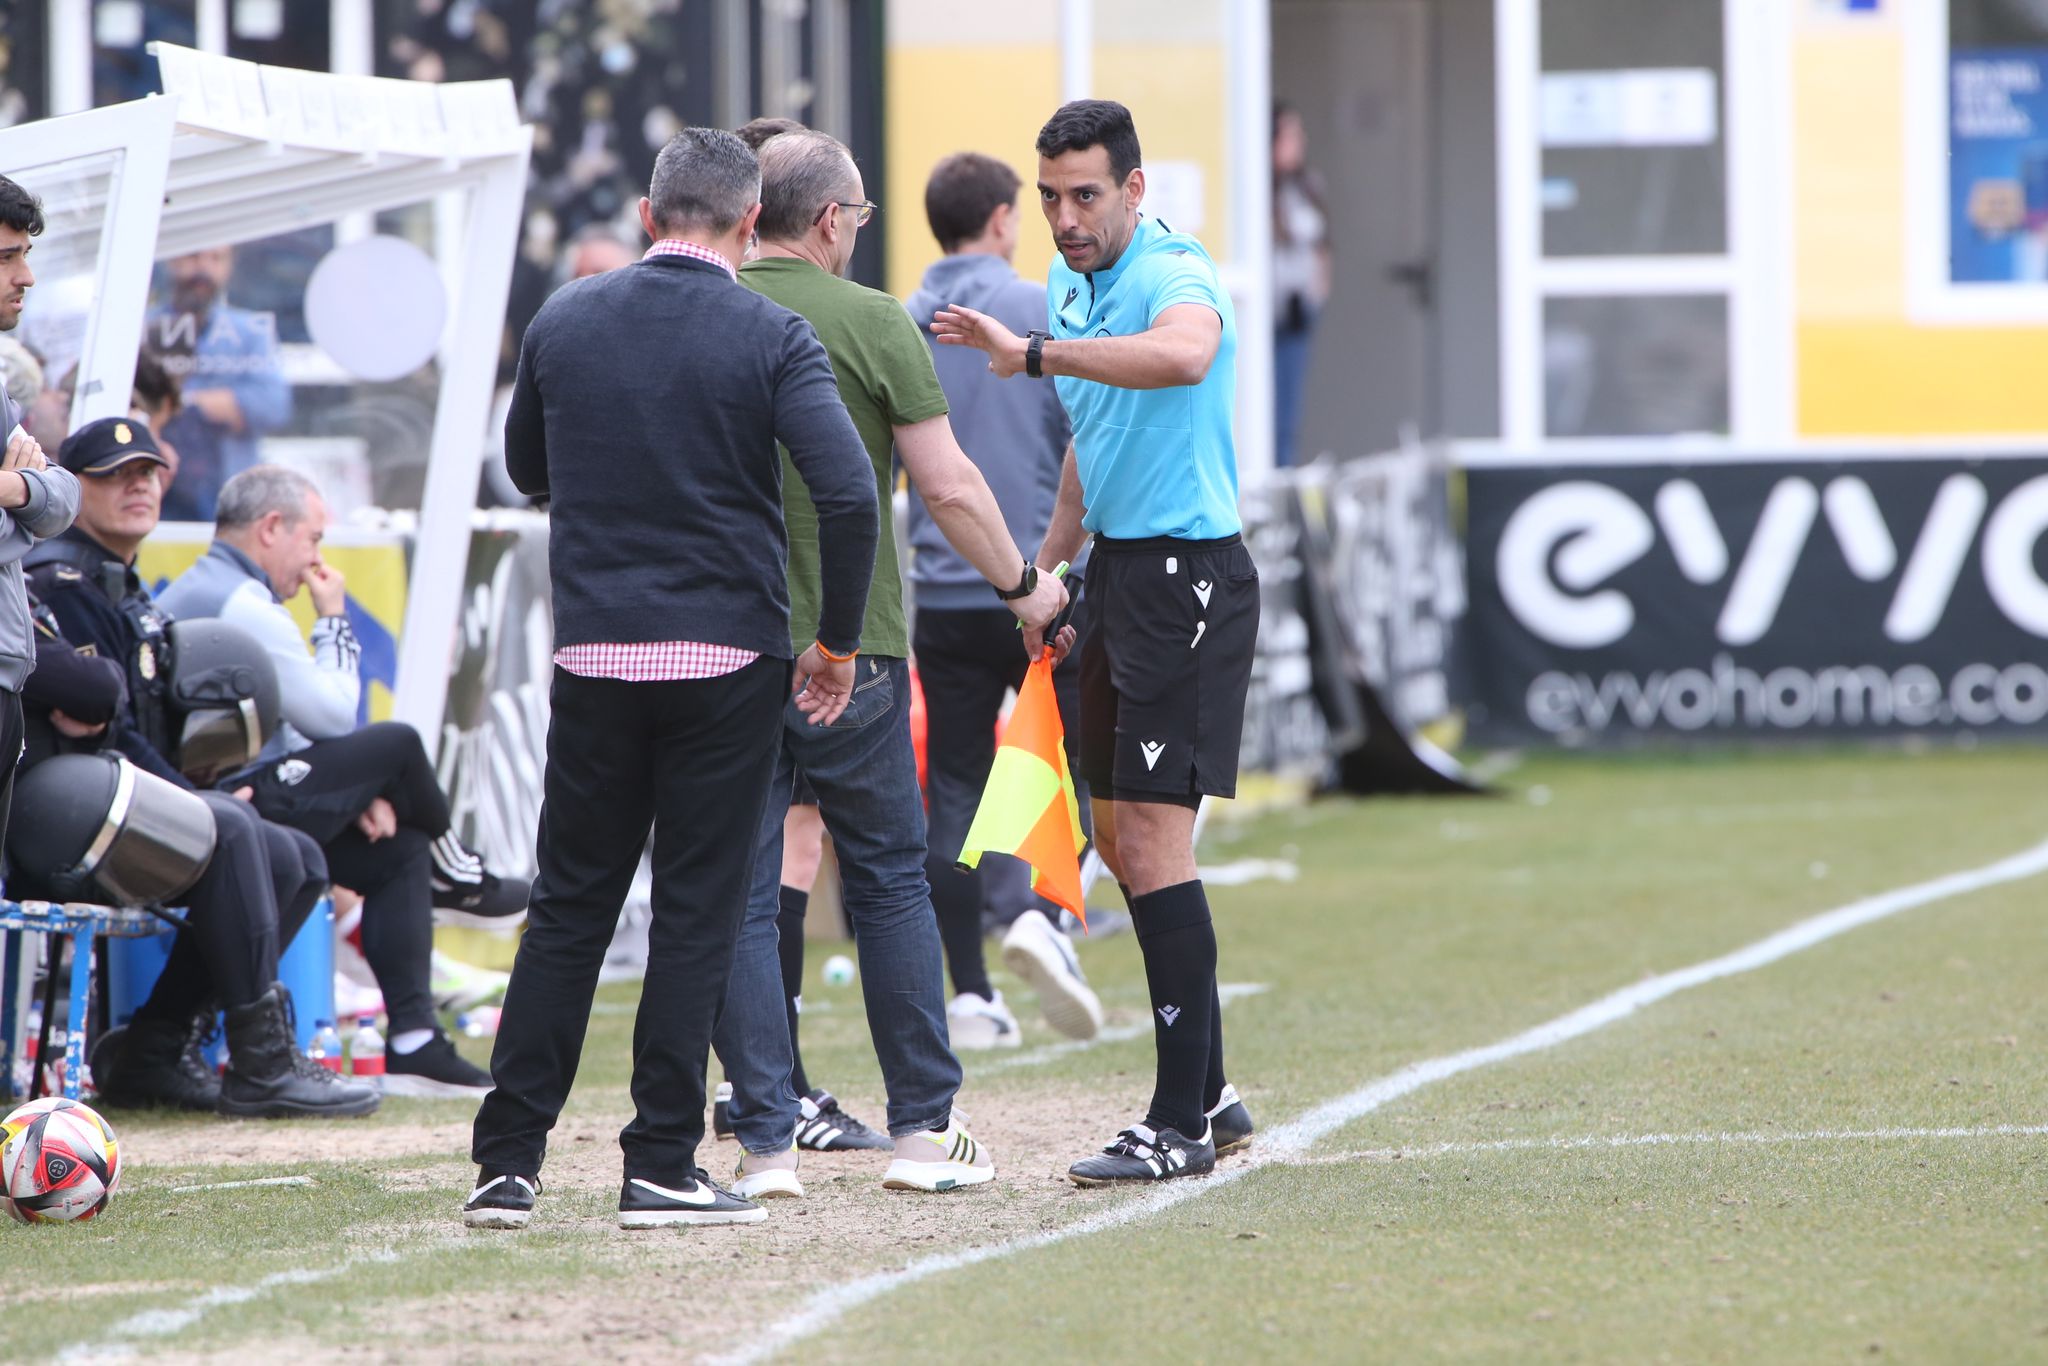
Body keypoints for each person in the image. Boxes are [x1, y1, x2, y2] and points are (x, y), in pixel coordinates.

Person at [465, 127, 880, 1231]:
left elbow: (525, 469)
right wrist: (834, 642)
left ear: (649, 216)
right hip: (725, 660)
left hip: (595, 652)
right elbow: (847, 496)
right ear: (752, 224)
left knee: (568, 907)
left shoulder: (565, 316)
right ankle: (657, 1159)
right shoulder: (771, 331)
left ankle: (505, 1159)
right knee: (696, 912)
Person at [712, 128, 1065, 1204]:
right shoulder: (873, 320)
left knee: (737, 889)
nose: (859, 235)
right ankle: (923, 1130)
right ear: (828, 221)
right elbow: (949, 485)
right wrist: (1023, 586)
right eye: (856, 219)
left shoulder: (704, 307)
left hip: (720, 648)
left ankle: (765, 1142)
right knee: (889, 880)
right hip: (847, 643)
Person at [932, 99, 1261, 1185]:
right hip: (1117, 573)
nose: (1065, 219)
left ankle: (1173, 1119)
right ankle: (1208, 1094)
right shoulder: (1073, 282)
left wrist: (1032, 351)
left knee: (1155, 847)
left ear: (1132, 189)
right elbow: (1091, 433)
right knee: (1114, 840)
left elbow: (1180, 357)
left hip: (1188, 579)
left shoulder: (1174, 269)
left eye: (1085, 195)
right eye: (1050, 199)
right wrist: (1054, 566)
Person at [25, 416, 374, 1119]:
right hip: (59, 812)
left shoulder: (122, 587)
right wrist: (193, 800)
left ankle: (155, 1045)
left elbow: (127, 728)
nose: (139, 487)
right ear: (72, 490)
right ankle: (262, 1063)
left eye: (149, 473)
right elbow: (107, 732)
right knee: (238, 830)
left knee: (297, 858)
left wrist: (194, 793)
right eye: (115, 476)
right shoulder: (61, 581)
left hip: (115, 797)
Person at [157, 463, 525, 1097]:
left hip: (233, 796)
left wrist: (359, 795)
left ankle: (413, 1038)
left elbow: (290, 730)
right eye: (314, 539)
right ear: (272, 528)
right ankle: (461, 875)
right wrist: (334, 619)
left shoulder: (218, 586)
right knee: (399, 742)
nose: (317, 559)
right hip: (225, 805)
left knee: (398, 850)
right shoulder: (240, 599)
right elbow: (331, 716)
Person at [905, 151, 1103, 1049]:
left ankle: (971, 996)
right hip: (1035, 579)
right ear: (999, 217)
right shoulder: (1035, 307)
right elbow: (1087, 440)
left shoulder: (904, 319)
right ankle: (1039, 915)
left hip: (941, 586)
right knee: (1067, 760)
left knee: (952, 784)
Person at [0, 173, 78, 864]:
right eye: (5, 257)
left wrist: (17, 492)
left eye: (26, 254)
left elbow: (63, 498)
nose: (25, 276)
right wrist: (25, 504)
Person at [151, 245, 292, 522]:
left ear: (229, 267)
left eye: (216, 259)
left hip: (228, 495)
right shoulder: (142, 326)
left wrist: (184, 403)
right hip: (156, 489)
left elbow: (273, 405)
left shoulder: (249, 331)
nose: (204, 269)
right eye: (193, 255)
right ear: (171, 260)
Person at [1271, 102, 1331, 469]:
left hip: (1296, 315)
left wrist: (1317, 295)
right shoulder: (1256, 191)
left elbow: (1323, 246)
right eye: (1290, 134)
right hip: (1263, 316)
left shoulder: (1307, 188)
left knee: (1287, 410)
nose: (1299, 142)